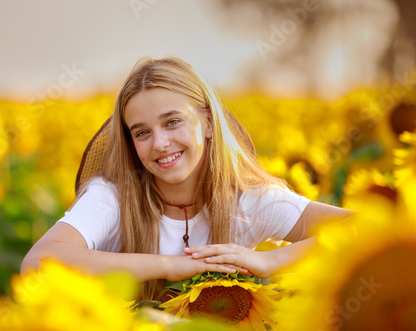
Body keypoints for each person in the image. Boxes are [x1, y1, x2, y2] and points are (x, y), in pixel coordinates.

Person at [21, 57, 352, 300]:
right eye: (142, 132)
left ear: (207, 122)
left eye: (172, 122)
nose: (160, 144)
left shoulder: (249, 201)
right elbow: (37, 264)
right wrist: (167, 265)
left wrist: (268, 260)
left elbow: (362, 227)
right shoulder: (112, 198)